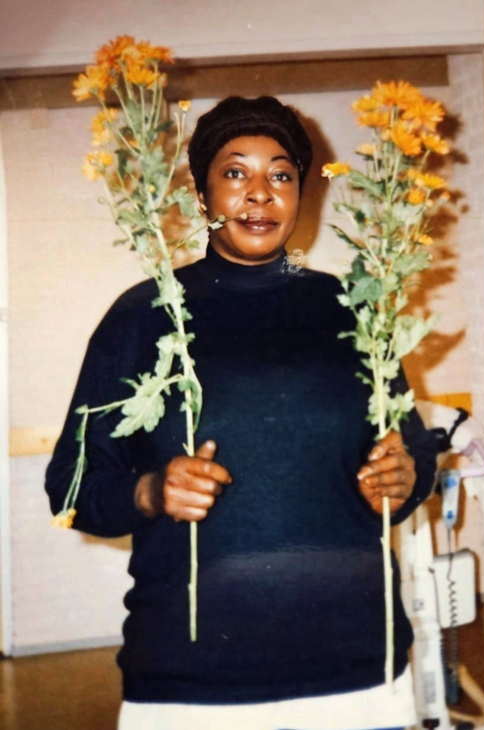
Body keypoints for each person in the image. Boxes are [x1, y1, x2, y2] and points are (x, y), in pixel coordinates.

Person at [45, 95, 440, 730]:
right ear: (201, 196)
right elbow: (69, 485)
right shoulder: (143, 315)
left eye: (281, 174)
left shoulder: (354, 308)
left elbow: (411, 448)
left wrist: (407, 475)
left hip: (358, 672)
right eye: (236, 173)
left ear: (301, 194)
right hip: (191, 684)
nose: (260, 193)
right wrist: (151, 490)